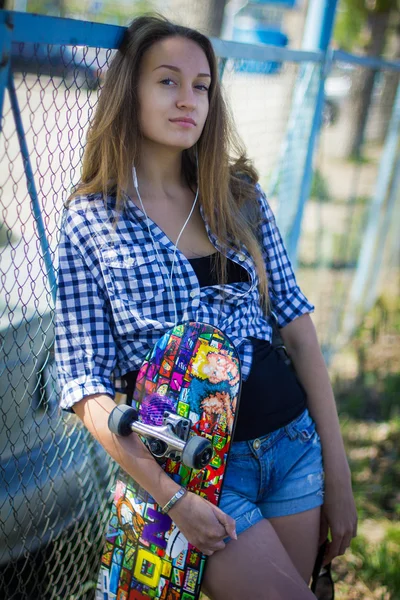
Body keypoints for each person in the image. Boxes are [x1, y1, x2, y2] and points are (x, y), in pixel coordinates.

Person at [55, 14, 357, 600]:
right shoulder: (92, 221)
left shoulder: (237, 197)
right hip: (199, 474)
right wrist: (171, 498)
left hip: (294, 449)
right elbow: (84, 386)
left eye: (201, 86)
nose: (187, 99)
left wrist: (337, 469)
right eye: (167, 81)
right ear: (130, 93)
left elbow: (296, 328)